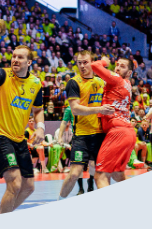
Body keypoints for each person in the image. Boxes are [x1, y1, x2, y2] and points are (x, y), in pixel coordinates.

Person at [0, 45, 44, 214]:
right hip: (0, 134)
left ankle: (2, 217)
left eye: (20, 57)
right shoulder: (2, 74)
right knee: (14, 182)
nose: (15, 60)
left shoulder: (35, 83)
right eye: (14, 56)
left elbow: (38, 109)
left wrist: (40, 128)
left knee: (28, 186)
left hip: (20, 138)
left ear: (29, 62)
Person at [57, 51, 108, 200]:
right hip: (81, 136)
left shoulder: (101, 82)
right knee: (74, 173)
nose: (82, 66)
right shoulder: (74, 82)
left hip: (100, 135)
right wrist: (99, 109)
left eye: (85, 62)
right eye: (79, 63)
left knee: (102, 173)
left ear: (92, 63)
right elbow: (75, 109)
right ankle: (60, 200)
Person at [87, 57, 132, 189]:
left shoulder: (117, 79)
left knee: (100, 176)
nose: (117, 68)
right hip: (128, 133)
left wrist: (105, 61)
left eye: (122, 66)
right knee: (118, 175)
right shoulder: (127, 84)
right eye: (117, 65)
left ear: (129, 72)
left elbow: (94, 66)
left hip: (117, 132)